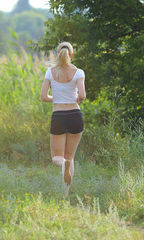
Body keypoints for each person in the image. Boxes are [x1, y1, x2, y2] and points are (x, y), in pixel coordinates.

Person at [40, 42, 86, 195]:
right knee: (70, 156)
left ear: (57, 54)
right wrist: (76, 99)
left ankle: (63, 165)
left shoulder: (50, 72)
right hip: (75, 115)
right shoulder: (78, 72)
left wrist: (58, 98)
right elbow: (83, 95)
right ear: (71, 55)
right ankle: (66, 192)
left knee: (57, 158)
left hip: (59, 116)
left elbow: (43, 97)